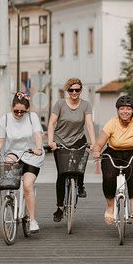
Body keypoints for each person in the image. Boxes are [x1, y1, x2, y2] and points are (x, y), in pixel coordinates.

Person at [0, 92, 44, 232]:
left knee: (27, 185)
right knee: (8, 171)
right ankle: (10, 198)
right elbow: (0, 140)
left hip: (31, 154)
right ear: (11, 108)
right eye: (16, 111)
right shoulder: (5, 120)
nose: (19, 114)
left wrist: (38, 148)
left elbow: (37, 134)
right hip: (13, 153)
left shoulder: (32, 118)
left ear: (27, 110)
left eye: (22, 112)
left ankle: (32, 220)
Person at [91, 95, 133, 225]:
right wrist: (96, 151)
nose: (125, 112)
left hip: (132, 153)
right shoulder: (111, 123)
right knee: (109, 176)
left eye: (128, 109)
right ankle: (110, 207)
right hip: (112, 153)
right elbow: (99, 144)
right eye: (122, 108)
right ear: (117, 110)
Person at [47, 78, 96, 222]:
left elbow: (89, 124)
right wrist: (51, 141)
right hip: (60, 141)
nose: (74, 92)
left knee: (79, 166)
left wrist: (93, 142)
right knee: (62, 174)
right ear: (67, 91)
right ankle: (59, 208)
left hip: (78, 139)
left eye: (77, 90)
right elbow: (51, 123)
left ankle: (80, 185)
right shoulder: (60, 104)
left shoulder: (86, 105)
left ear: (81, 90)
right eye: (71, 90)